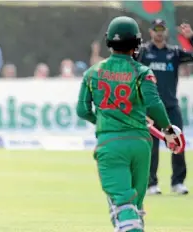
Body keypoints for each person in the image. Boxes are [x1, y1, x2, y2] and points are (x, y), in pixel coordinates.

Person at [76, 16, 184, 232]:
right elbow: (154, 104)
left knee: (123, 205)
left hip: (110, 143)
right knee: (135, 206)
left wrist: (104, 121)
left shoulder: (93, 73)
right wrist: (168, 130)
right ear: (137, 43)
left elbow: (83, 110)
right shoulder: (143, 72)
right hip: (140, 144)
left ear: (108, 42)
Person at [135, 19, 193, 195]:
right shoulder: (144, 52)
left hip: (170, 107)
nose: (159, 33)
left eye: (161, 29)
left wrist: (191, 38)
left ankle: (178, 182)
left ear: (165, 32)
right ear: (151, 32)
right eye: (156, 30)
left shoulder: (174, 53)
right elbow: (126, 63)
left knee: (176, 142)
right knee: (151, 146)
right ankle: (152, 183)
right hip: (149, 108)